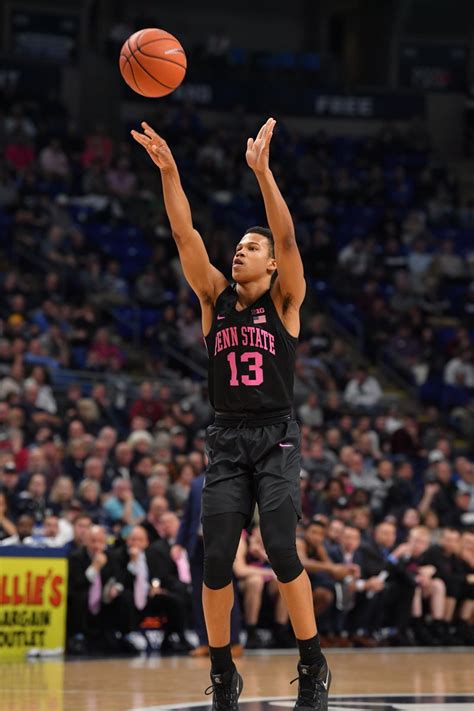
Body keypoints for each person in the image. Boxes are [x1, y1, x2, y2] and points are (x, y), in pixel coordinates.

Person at [133, 117, 331, 709]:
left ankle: (312, 662)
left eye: (252, 248)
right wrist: (169, 172)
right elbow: (184, 233)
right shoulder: (212, 299)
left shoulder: (286, 301)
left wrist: (264, 174)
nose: (240, 251)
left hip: (275, 436)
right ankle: (223, 673)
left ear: (271, 266)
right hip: (225, 437)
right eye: (239, 247)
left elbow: (289, 240)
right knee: (216, 556)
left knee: (280, 546)